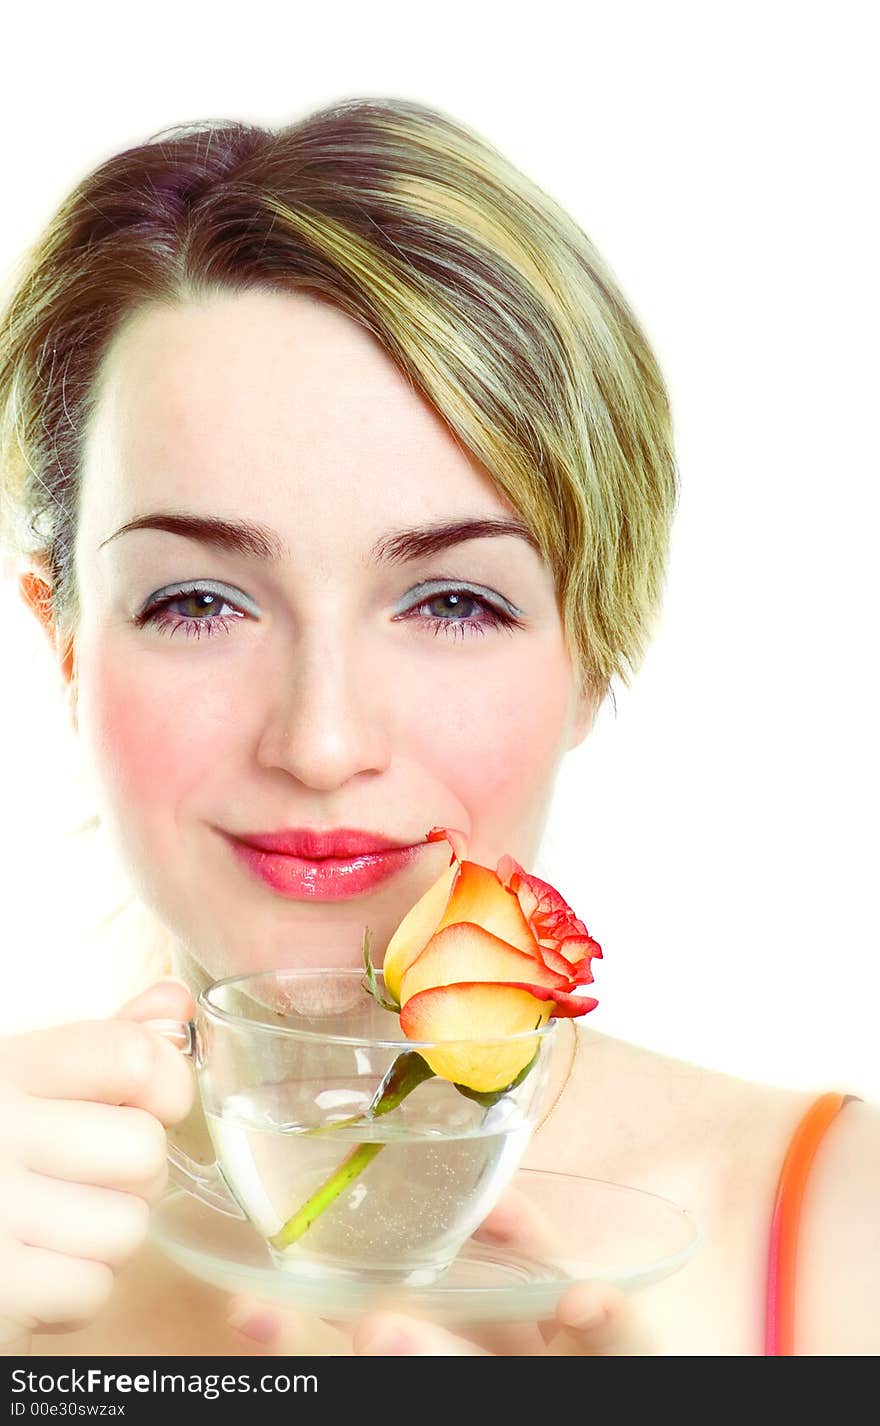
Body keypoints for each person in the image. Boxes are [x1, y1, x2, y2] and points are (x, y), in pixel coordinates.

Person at [0, 96, 876, 1359]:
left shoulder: (848, 1236)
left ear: (596, 654)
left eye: (454, 600)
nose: (319, 739)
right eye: (197, 601)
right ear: (67, 646)